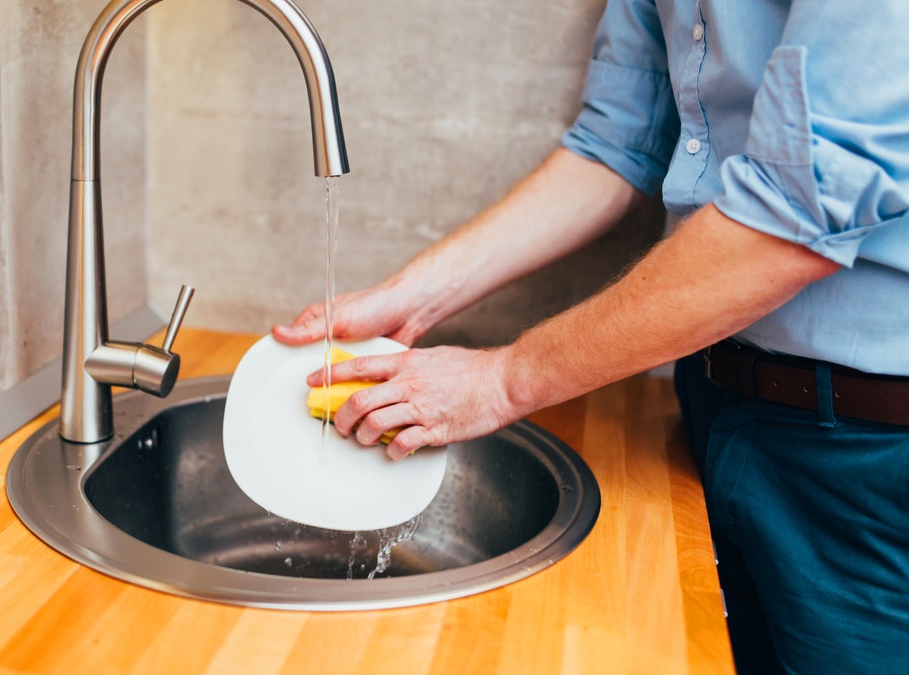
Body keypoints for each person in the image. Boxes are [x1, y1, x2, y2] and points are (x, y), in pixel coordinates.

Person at [272, 1, 909, 673]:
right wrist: (408, 297)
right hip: (709, 402)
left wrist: (501, 380)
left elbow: (793, 215)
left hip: (867, 452)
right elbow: (618, 144)